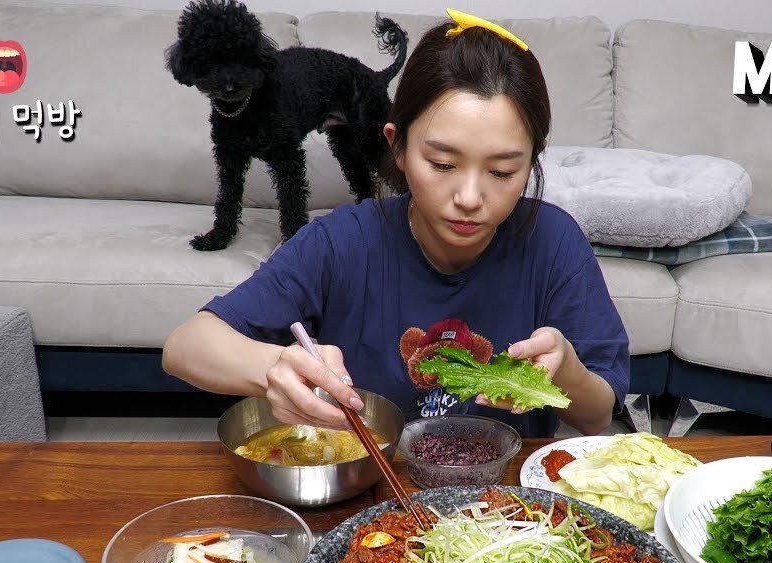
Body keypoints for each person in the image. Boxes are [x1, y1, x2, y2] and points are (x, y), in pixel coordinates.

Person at [162, 9, 629, 438]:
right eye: (442, 164)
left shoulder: (554, 242)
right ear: (398, 148)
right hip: (371, 499)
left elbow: (597, 414)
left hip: (506, 509)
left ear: (532, 161)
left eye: (503, 172)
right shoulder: (341, 242)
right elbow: (186, 347)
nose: (469, 199)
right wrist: (273, 367)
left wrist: (566, 370)